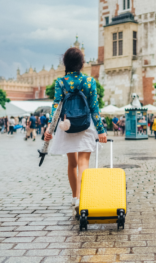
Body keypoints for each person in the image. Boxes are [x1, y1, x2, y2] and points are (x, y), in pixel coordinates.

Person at [44, 47, 107, 209]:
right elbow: (94, 109)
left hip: (67, 126)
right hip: (85, 125)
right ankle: (84, 198)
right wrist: (101, 130)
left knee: (71, 163)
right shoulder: (90, 81)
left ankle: (75, 197)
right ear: (82, 63)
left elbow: (56, 107)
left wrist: (49, 130)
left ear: (65, 63)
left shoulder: (61, 82)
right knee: (83, 161)